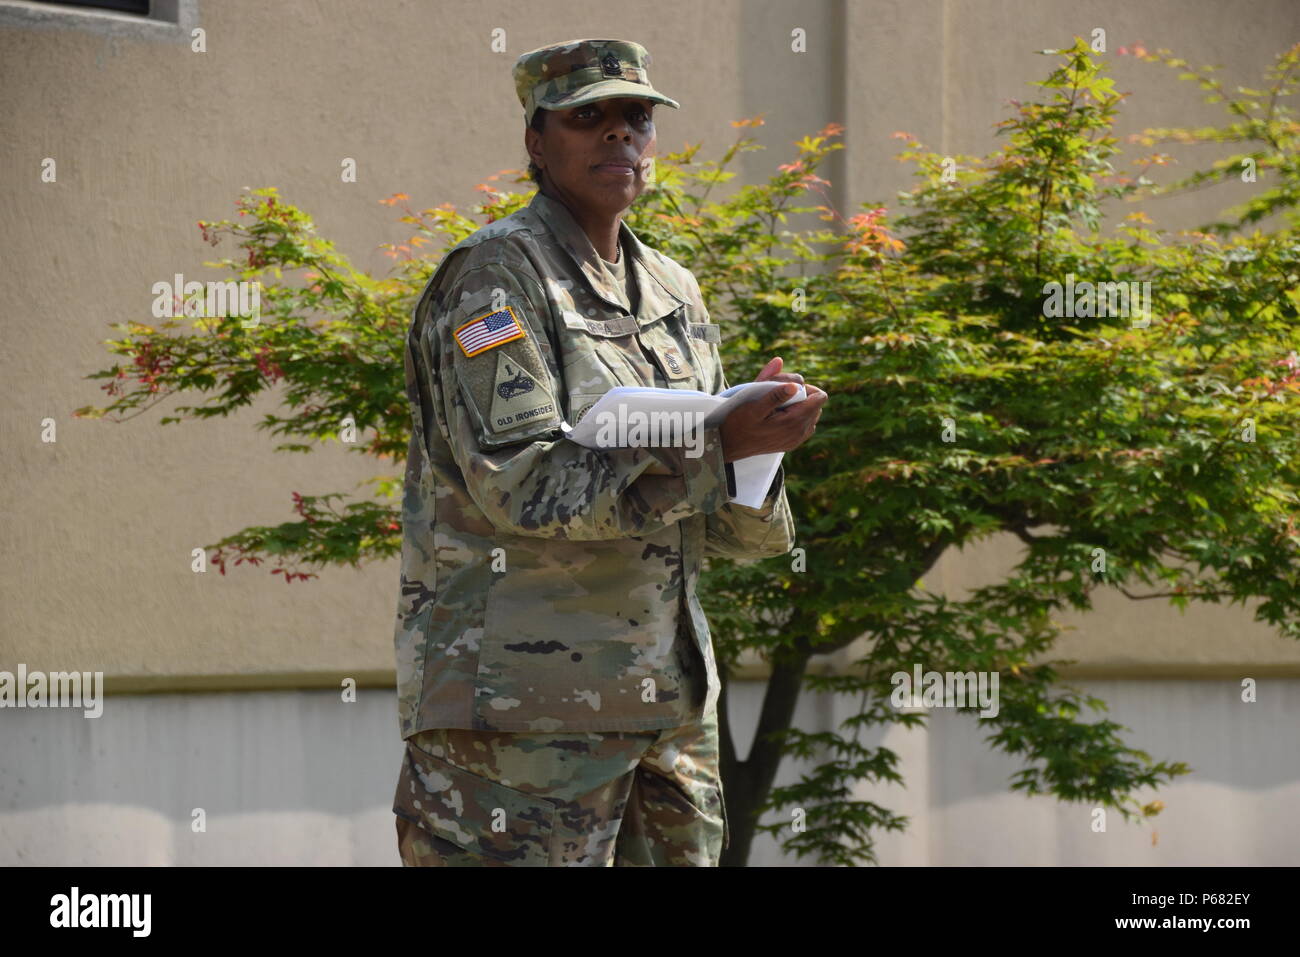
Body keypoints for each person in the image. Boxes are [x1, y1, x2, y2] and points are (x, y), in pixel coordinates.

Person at [391, 37, 828, 866]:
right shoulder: (495, 278)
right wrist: (711, 449)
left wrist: (757, 450)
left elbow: (731, 535)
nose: (619, 135)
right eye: (588, 117)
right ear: (536, 141)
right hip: (520, 722)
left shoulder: (673, 289)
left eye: (636, 117)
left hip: (669, 716)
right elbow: (521, 486)